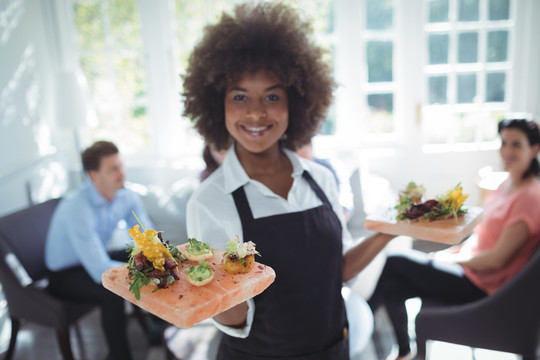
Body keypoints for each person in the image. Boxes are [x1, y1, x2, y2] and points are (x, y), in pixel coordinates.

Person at [183, 2, 395, 359]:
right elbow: (231, 315)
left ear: (294, 102)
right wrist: (212, 295)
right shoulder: (210, 201)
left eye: (272, 96)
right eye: (239, 96)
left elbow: (336, 270)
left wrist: (391, 229)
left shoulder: (321, 178)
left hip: (332, 350)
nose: (255, 112)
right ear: (216, 105)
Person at [368, 117, 540, 360]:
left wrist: (451, 261)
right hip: (470, 270)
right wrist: (455, 253)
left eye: (516, 144)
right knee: (392, 286)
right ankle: (403, 352)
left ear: (534, 149)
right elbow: (483, 237)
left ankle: (358, 326)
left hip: (483, 286)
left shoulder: (530, 197)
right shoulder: (507, 183)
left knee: (395, 260)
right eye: (503, 143)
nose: (507, 151)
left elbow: (497, 259)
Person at [45, 140, 155, 360]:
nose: (121, 173)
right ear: (93, 175)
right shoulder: (77, 207)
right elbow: (99, 270)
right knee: (112, 291)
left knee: (150, 258)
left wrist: (155, 259)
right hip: (66, 274)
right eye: (113, 169)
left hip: (94, 258)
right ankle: (119, 356)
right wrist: (143, 270)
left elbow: (148, 240)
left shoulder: (125, 195)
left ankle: (159, 326)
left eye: (121, 166)